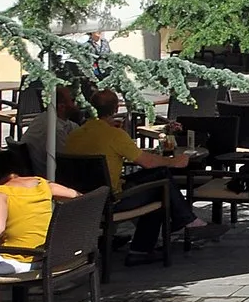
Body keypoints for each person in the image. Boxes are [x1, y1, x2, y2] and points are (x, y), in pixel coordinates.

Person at [61, 88, 202, 261]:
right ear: (115, 109)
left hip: (83, 198)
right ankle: (150, 243)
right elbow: (147, 161)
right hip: (110, 200)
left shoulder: (75, 134)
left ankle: (182, 221)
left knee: (158, 176)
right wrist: (175, 161)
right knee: (160, 183)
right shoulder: (114, 135)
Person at [0, 145, 79, 273]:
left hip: (16, 260)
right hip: (48, 256)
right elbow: (77, 196)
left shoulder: (1, 193)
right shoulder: (41, 183)